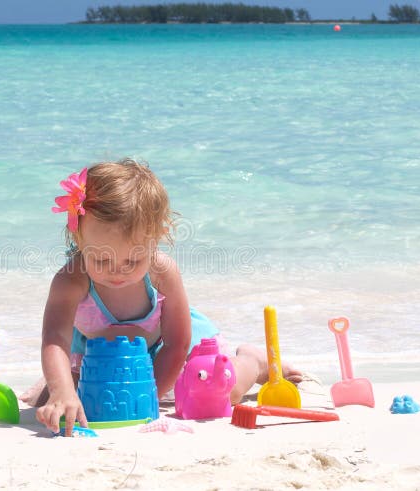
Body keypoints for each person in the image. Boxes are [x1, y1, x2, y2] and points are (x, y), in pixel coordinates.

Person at [22, 158, 302, 435]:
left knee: (215, 393)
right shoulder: (70, 279)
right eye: (101, 260)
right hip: (100, 358)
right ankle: (57, 384)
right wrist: (61, 390)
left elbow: (177, 344)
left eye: (133, 261)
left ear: (156, 239)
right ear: (78, 238)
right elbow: (55, 339)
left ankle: (252, 361)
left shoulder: (161, 271)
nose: (117, 272)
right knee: (55, 400)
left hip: (164, 353)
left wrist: (148, 391)